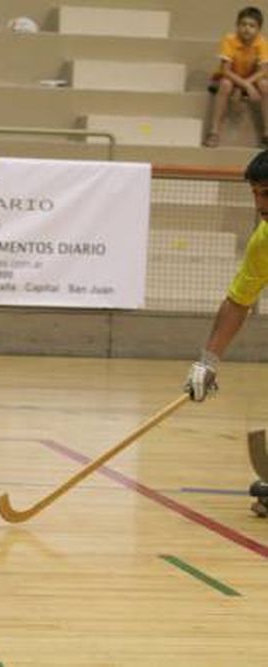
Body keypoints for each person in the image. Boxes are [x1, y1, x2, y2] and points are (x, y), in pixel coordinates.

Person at [183, 148, 268, 514]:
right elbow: (239, 301)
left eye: (267, 193)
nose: (260, 204)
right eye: (255, 194)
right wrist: (207, 360)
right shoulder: (264, 241)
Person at [204, 6, 268, 148]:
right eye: (243, 24)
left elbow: (263, 71)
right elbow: (225, 70)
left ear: (258, 29)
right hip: (232, 78)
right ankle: (214, 132)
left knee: (265, 85)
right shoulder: (229, 40)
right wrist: (245, 86)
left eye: (252, 26)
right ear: (237, 26)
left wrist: (246, 85)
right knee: (226, 84)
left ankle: (266, 134)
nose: (247, 29)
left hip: (251, 79)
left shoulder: (262, 43)